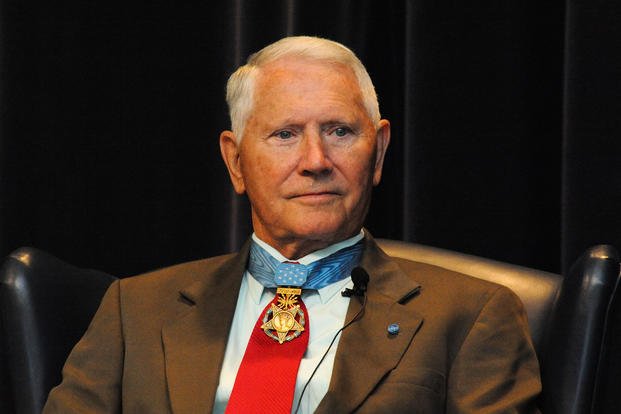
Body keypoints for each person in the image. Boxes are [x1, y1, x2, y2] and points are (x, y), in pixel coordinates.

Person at [44, 36, 541, 413]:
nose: (315, 160)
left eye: (339, 131)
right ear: (235, 161)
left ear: (380, 151)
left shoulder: (473, 316)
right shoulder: (135, 311)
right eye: (284, 134)